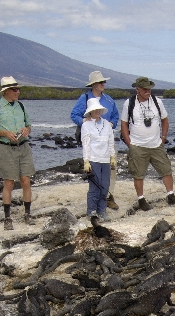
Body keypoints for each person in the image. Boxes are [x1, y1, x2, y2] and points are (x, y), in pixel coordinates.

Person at [120, 76, 175, 211]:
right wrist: (129, 142)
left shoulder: (157, 102)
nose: (148, 91)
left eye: (149, 88)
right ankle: (141, 199)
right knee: (138, 174)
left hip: (156, 144)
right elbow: (123, 123)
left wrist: (163, 138)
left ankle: (171, 195)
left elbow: (165, 119)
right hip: (137, 145)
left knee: (166, 169)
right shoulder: (129, 103)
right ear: (137, 90)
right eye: (144, 89)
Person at [0, 76, 35, 230]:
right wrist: (5, 133)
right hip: (5, 148)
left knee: (26, 180)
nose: (18, 92)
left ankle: (27, 214)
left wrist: (26, 130)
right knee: (9, 183)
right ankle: (7, 218)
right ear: (6, 91)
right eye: (15, 89)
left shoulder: (21, 106)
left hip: (23, 146)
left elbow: (29, 125)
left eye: (18, 89)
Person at [71, 71, 120, 211]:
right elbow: (74, 114)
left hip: (107, 138)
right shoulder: (85, 98)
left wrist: (112, 124)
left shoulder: (109, 100)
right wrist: (84, 122)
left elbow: (115, 116)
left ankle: (108, 197)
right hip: (92, 141)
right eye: (100, 82)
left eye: (104, 82)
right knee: (95, 173)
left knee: (110, 171)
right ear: (93, 85)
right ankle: (94, 204)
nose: (103, 84)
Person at [81, 97, 117, 222]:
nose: (97, 111)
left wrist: (112, 157)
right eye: (94, 109)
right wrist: (86, 161)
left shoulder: (107, 124)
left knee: (105, 186)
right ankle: (91, 211)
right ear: (90, 111)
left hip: (105, 160)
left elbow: (110, 141)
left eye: (98, 109)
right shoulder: (86, 125)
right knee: (94, 187)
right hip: (93, 159)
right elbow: (85, 144)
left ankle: (102, 210)